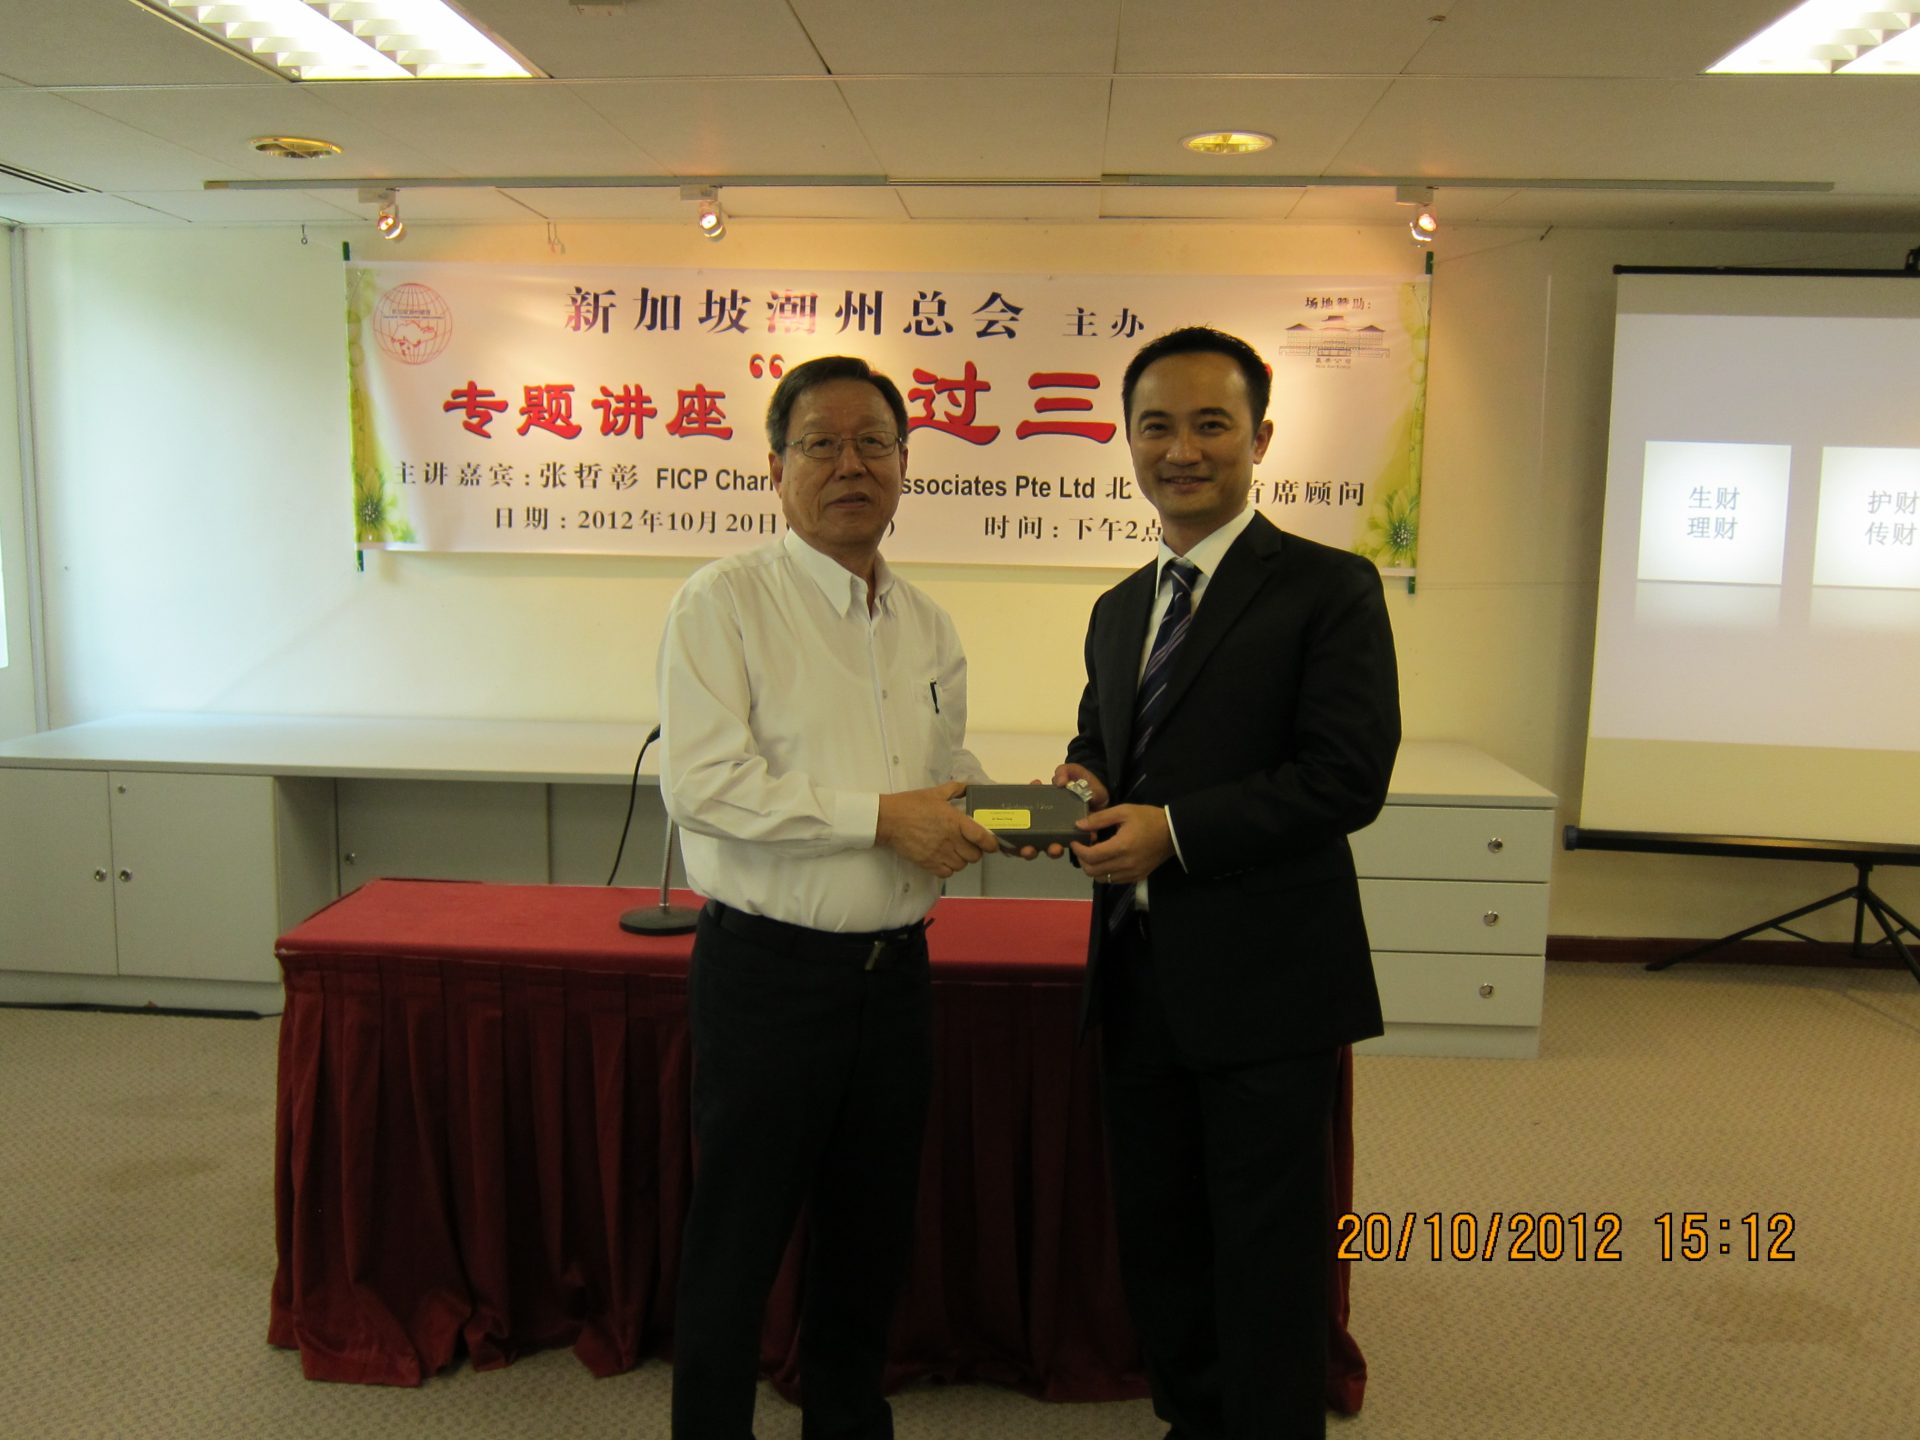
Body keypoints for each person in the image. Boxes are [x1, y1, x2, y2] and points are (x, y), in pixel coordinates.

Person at [1051, 326, 1401, 1439]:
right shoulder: (1120, 607)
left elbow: (1346, 777)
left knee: (1268, 1246)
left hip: (1269, 979)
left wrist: (1174, 834)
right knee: (1161, 1235)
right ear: (1128, 440)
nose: (1182, 450)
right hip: (1138, 975)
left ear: (1261, 438)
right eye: (1156, 426)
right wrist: (1082, 779)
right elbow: (1106, 739)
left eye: (1211, 424)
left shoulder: (1329, 587)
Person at [657, 355, 998, 1439]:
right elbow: (705, 787)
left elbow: (939, 769)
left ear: (906, 463)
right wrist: (883, 818)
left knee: (869, 1243)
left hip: (895, 980)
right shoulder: (723, 603)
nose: (851, 465)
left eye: (874, 443)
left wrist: (1017, 806)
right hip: (770, 978)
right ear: (776, 467)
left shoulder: (928, 623)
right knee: (737, 1244)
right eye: (821, 444)